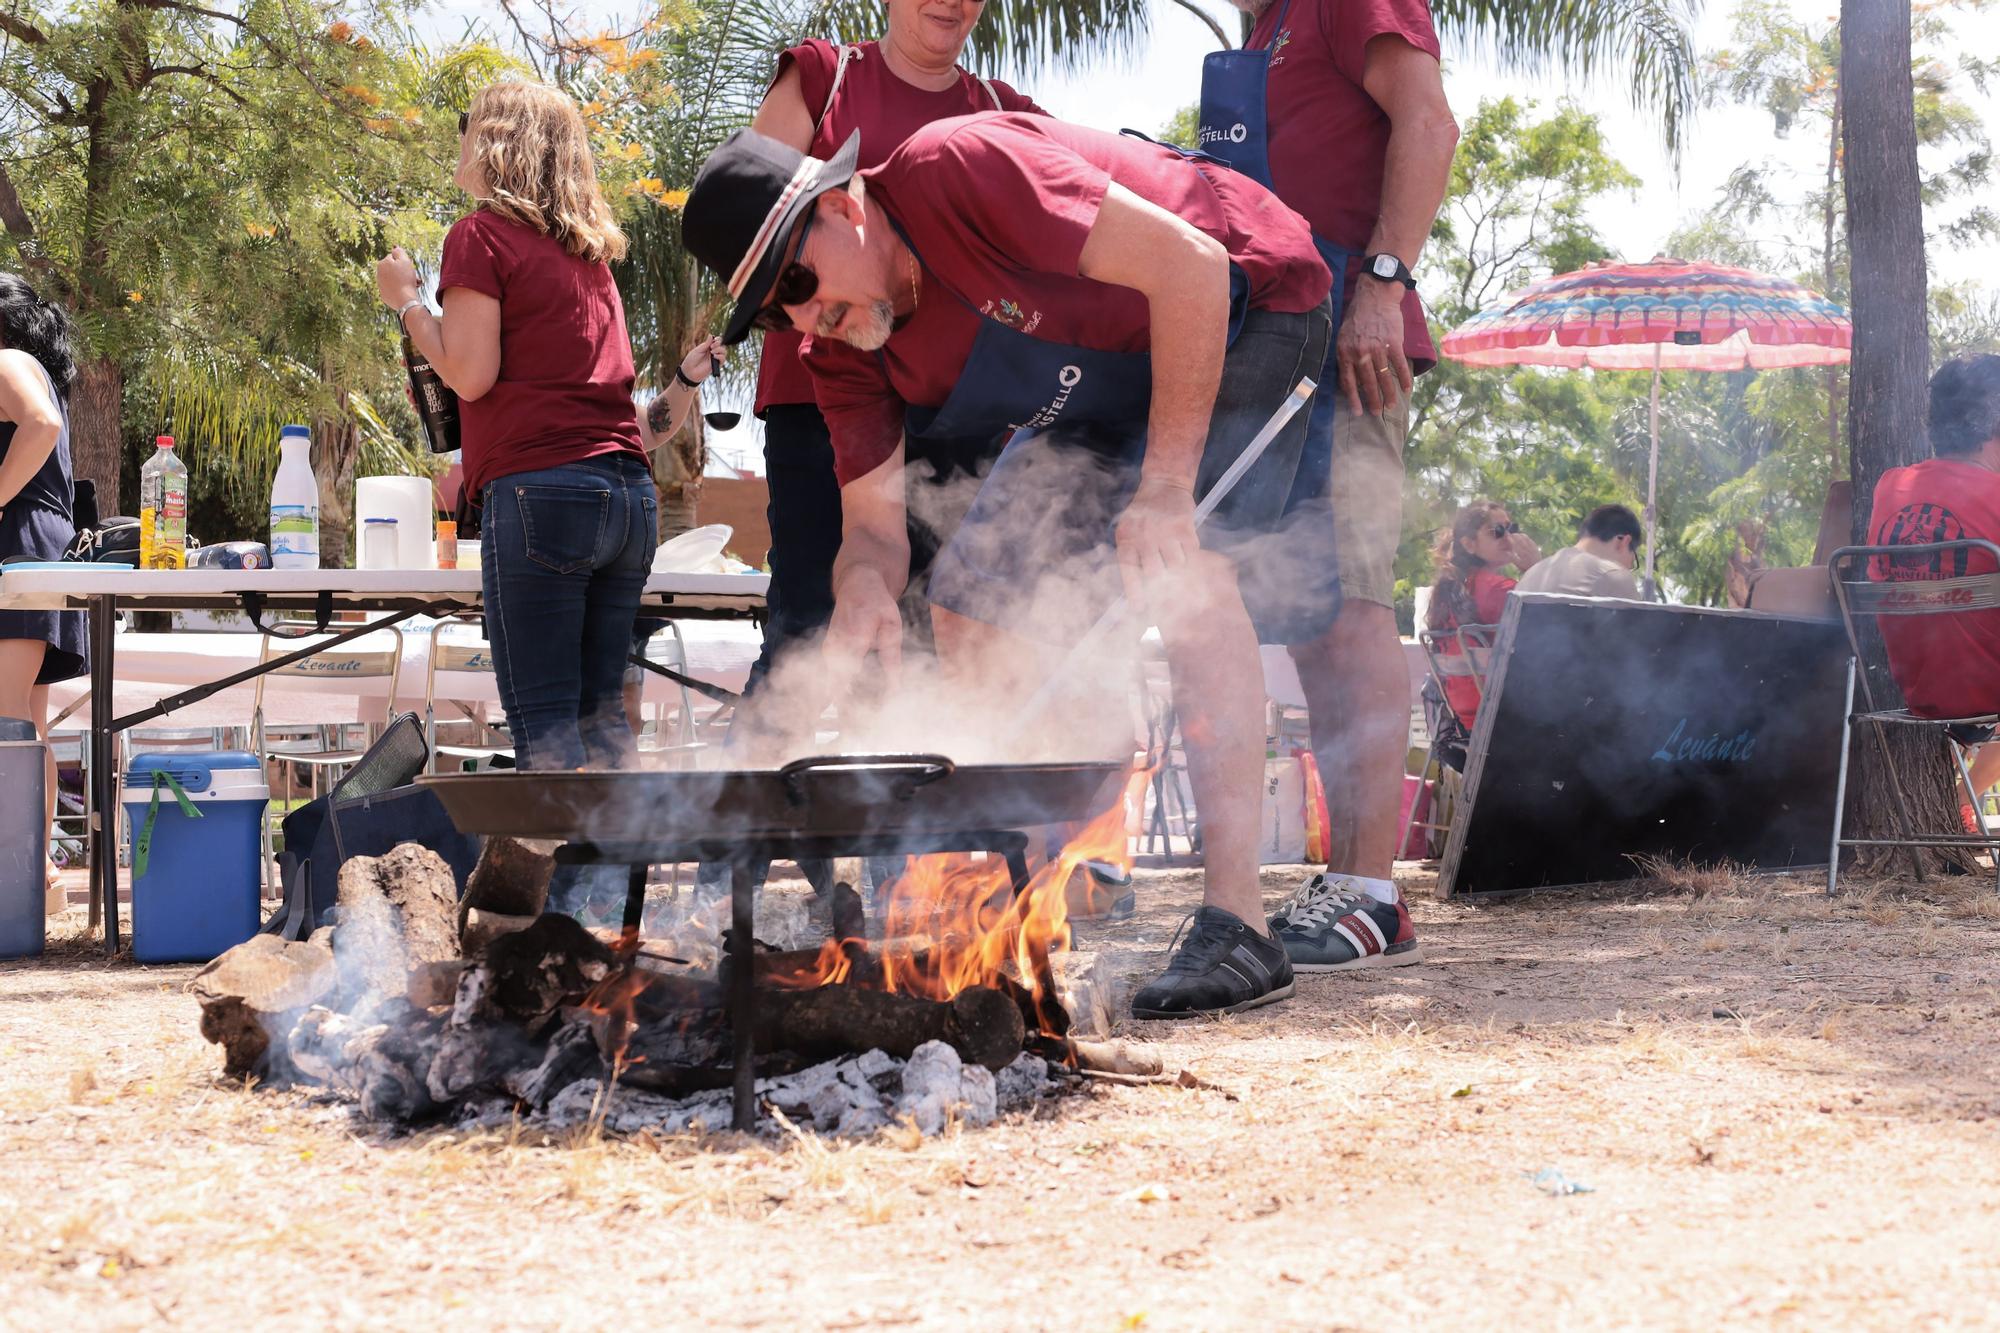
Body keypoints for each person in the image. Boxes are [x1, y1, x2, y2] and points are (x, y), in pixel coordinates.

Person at [681, 116, 1333, 1016]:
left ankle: (1241, 923)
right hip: (1109, 383)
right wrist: (863, 584)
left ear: (845, 205)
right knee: (970, 602)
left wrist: (1166, 486)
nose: (802, 317)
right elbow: (872, 529)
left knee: (1185, 567)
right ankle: (1012, 894)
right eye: (773, 311)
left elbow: (1192, 268)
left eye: (796, 279)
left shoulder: (958, 170)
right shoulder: (837, 349)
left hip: (1244, 301)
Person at [1193, 0, 1458, 969]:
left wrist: (1382, 286)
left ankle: (1371, 888)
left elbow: (1427, 122)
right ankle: (1342, 876)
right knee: (1308, 617)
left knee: (1350, 602)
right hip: (1267, 349)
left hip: (1350, 335)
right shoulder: (1258, 33)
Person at [376, 81, 656, 914]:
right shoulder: (590, 256)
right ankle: (615, 921)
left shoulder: (479, 237)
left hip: (541, 494)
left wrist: (408, 305)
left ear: (494, 144)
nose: (456, 145)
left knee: (546, 736)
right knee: (606, 727)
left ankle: (566, 929)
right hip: (627, 494)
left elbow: (469, 373)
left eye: (466, 131)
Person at [1866, 352, 2000, 832]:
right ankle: (1964, 796)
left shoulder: (1890, 486)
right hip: (1986, 690)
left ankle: (1961, 797)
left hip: (1916, 690)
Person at [0, 273, 88, 917]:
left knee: (8, 721)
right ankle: (36, 878)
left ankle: (21, 876)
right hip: (37, 545)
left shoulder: (6, 360)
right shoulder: (27, 364)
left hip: (19, 545)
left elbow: (40, 421)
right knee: (23, 722)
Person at [1423, 500, 1539, 730]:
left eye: (1511, 528)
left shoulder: (1448, 590)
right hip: (1507, 719)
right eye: (1497, 532)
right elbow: (1555, 629)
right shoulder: (1500, 590)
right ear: (1469, 544)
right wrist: (1536, 568)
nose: (1509, 538)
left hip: (1464, 721)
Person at [1517, 504, 1644, 600]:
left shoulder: (1533, 573)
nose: (1627, 569)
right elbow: (1642, 633)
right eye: (1632, 562)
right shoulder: (1610, 574)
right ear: (1623, 542)